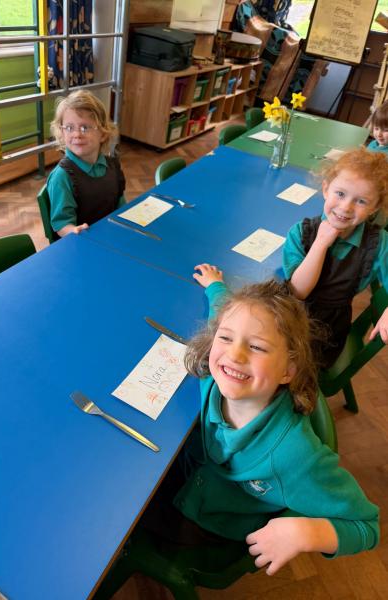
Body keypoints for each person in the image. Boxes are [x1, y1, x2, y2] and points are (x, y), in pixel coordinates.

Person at [142, 267, 379, 576]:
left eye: (257, 347)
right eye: (225, 338)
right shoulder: (214, 376)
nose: (235, 354)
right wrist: (215, 287)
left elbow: (367, 525)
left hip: (213, 523)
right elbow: (225, 315)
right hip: (192, 473)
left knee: (127, 519)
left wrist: (307, 532)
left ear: (288, 370)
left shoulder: (296, 456)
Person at [283, 147, 388, 368]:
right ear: (326, 189)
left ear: (375, 207)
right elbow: (298, 292)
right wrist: (320, 243)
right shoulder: (300, 233)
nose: (346, 207)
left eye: (361, 201)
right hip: (290, 319)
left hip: (327, 335)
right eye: (340, 194)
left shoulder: (379, 243)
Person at [47, 90, 126, 238]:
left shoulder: (113, 166)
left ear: (103, 134)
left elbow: (120, 205)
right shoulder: (61, 177)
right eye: (69, 128)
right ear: (62, 133)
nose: (77, 134)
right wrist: (74, 230)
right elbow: (61, 224)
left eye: (85, 127)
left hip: (111, 236)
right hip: (81, 242)